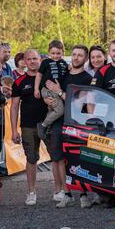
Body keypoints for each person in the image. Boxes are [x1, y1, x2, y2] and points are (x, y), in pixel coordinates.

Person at [45, 45, 94, 208]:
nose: (76, 57)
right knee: (58, 158)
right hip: (59, 122)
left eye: (80, 55)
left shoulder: (87, 78)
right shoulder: (63, 74)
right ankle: (66, 193)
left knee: (77, 159)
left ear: (86, 58)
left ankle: (83, 194)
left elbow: (80, 105)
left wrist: (59, 92)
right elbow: (49, 89)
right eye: (74, 54)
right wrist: (48, 98)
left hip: (77, 124)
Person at [10, 49, 51, 205]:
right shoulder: (19, 82)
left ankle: (60, 191)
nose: (32, 61)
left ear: (40, 59)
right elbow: (14, 107)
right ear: (25, 62)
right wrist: (14, 130)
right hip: (28, 126)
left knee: (57, 157)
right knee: (31, 159)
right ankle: (31, 192)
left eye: (35, 58)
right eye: (29, 59)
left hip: (49, 124)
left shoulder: (47, 80)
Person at [34, 40, 69, 140]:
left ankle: (47, 128)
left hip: (57, 91)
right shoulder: (46, 62)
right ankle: (43, 125)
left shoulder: (64, 63)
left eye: (58, 53)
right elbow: (39, 75)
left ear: (63, 52)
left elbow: (66, 73)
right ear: (49, 53)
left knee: (52, 109)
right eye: (53, 53)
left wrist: (69, 68)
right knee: (60, 110)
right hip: (47, 89)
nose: (55, 56)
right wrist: (36, 89)